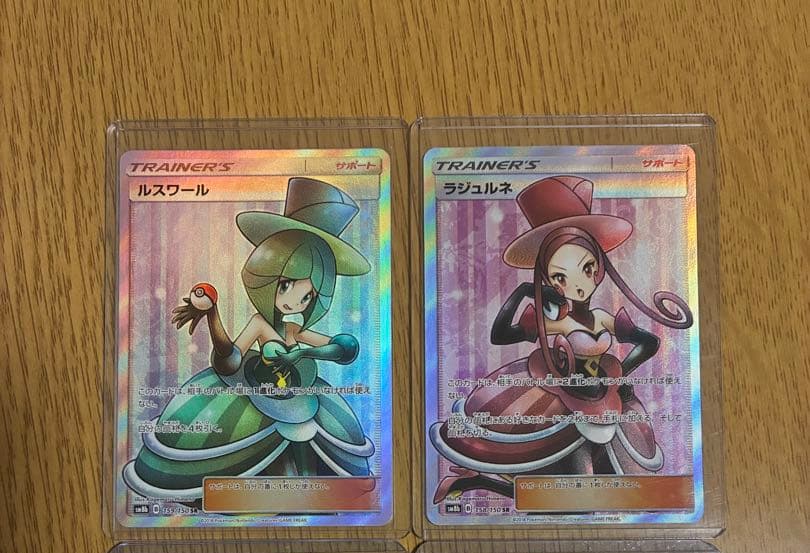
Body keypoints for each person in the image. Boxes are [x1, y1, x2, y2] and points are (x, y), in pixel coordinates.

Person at [431, 175, 693, 502]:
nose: (578, 284)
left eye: (587, 269)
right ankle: (476, 483)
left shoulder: (602, 318)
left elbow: (649, 343)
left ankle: (478, 483)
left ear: (599, 268)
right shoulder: (555, 323)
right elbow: (501, 335)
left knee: (607, 476)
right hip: (558, 398)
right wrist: (522, 292)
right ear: (548, 279)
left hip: (603, 396)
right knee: (572, 481)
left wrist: (618, 376)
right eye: (560, 276)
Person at [124, 177, 375, 505]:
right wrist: (213, 316)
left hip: (299, 398)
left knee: (318, 458)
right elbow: (230, 359)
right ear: (267, 278)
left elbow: (340, 347)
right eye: (285, 285)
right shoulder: (259, 323)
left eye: (308, 296)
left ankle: (301, 503)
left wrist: (316, 352)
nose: (294, 301)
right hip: (251, 395)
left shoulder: (294, 329)